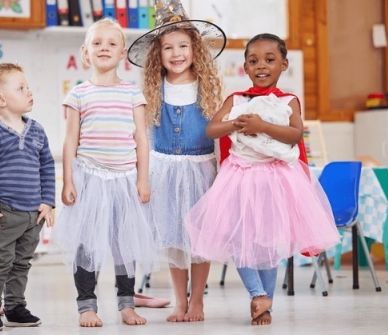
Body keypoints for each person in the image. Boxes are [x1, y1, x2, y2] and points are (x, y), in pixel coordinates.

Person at [185, 33, 341, 326]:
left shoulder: (289, 101)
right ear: (245, 66)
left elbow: (295, 135)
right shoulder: (237, 99)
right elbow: (212, 130)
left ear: (283, 64)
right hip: (240, 177)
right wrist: (235, 123)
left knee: (269, 243)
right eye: (253, 60)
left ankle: (265, 304)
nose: (261, 66)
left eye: (270, 60)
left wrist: (262, 126)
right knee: (240, 239)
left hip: (276, 178)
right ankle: (257, 293)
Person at [51, 18, 159, 327]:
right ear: (86, 52)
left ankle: (127, 303)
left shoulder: (132, 94)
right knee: (86, 243)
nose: (104, 48)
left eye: (112, 43)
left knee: (125, 243)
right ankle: (87, 305)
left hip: (125, 180)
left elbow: (141, 139)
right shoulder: (79, 94)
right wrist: (68, 180)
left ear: (123, 53)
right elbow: (70, 140)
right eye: (97, 43)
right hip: (89, 178)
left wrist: (142, 179)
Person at [127, 0, 226, 323]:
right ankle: (178, 301)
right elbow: (147, 137)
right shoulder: (155, 89)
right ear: (158, 54)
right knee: (173, 239)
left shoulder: (207, 88)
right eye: (168, 47)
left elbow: (218, 135)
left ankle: (197, 301)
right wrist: (143, 176)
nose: (176, 53)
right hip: (165, 171)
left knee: (199, 240)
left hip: (201, 170)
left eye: (183, 45)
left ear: (195, 49)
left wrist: (222, 174)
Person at [0, 62, 56, 332]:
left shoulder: (37, 130)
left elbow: (47, 167)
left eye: (27, 86)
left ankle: (15, 306)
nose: (29, 91)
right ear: (1, 99)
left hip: (33, 215)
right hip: (3, 214)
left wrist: (48, 201)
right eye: (21, 88)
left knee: (22, 263)